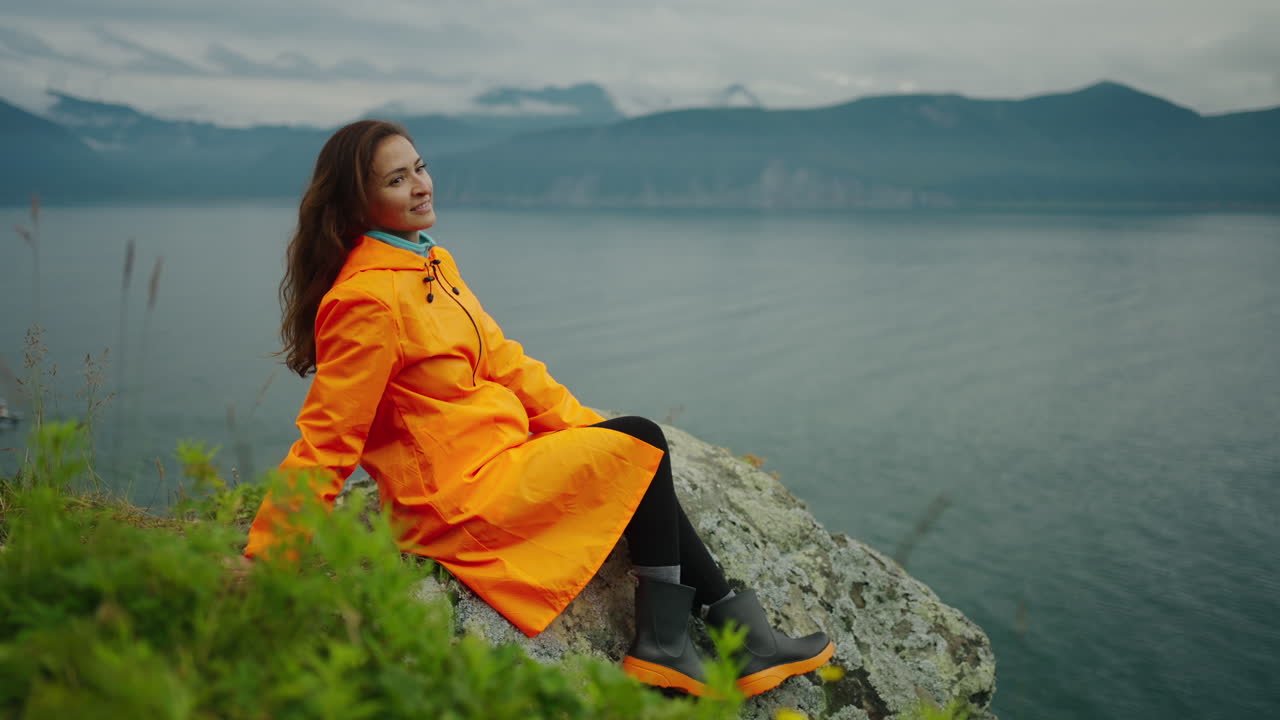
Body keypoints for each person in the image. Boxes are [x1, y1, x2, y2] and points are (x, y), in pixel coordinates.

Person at [242, 119, 833, 698]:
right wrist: (268, 558)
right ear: (359, 203)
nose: (421, 185)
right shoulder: (366, 300)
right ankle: (673, 645)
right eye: (396, 181)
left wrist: (593, 433)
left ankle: (734, 636)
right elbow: (328, 438)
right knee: (643, 442)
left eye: (419, 167)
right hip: (455, 498)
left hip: (498, 460)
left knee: (635, 448)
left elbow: (506, 362)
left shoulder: (429, 266)